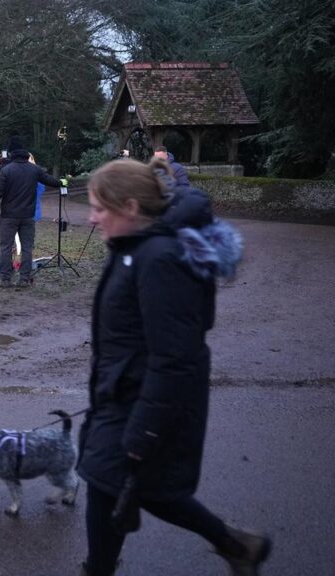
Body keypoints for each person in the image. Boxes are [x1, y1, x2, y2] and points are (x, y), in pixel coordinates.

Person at [77, 158, 270, 576]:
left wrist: (144, 429)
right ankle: (237, 545)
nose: (92, 219)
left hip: (143, 404)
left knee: (109, 484)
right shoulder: (136, 248)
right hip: (124, 394)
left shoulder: (160, 259)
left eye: (98, 208)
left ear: (129, 207)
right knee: (140, 488)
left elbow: (176, 357)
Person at [0, 142, 62, 288]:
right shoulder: (34, 170)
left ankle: (5, 279)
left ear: (12, 154)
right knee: (27, 247)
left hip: (8, 216)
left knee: (6, 247)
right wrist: (62, 183)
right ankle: (24, 279)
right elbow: (50, 181)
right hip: (28, 215)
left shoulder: (7, 170)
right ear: (26, 154)